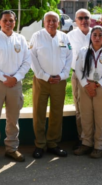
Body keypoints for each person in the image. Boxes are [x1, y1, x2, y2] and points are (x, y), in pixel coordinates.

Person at [0, 10, 32, 165]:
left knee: (13, 119)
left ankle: (12, 148)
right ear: (0, 22)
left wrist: (15, 78)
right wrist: (4, 78)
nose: (8, 23)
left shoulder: (21, 39)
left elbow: (27, 61)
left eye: (11, 20)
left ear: (15, 22)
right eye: (5, 20)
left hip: (15, 84)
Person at [29, 11, 72, 159]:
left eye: (54, 20)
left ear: (58, 23)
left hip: (59, 82)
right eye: (48, 20)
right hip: (41, 81)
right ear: (44, 22)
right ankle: (40, 144)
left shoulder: (64, 37)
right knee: (39, 112)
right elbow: (32, 58)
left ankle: (53, 143)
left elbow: (69, 58)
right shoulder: (37, 37)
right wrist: (45, 76)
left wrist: (62, 75)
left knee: (57, 113)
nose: (51, 23)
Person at [73, 26, 102, 158]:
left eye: (100, 35)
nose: (97, 38)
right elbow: (78, 70)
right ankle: (86, 143)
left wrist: (98, 84)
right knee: (86, 116)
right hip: (85, 86)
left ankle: (99, 146)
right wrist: (87, 84)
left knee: (101, 118)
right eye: (94, 35)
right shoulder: (83, 51)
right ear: (90, 37)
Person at [67, 8, 92, 147]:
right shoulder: (69, 36)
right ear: (75, 21)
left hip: (96, 77)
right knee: (80, 108)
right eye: (80, 18)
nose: (83, 21)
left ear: (90, 19)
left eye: (86, 18)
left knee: (97, 108)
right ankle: (82, 138)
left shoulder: (98, 33)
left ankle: (96, 137)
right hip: (77, 76)